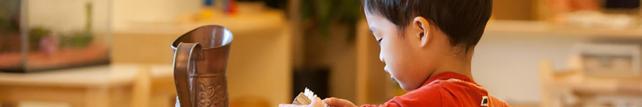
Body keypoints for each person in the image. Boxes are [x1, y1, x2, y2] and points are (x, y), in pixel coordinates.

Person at [323, 0, 509, 106]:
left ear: (420, 32)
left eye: (380, 38)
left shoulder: (438, 98)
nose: (381, 56)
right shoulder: (492, 103)